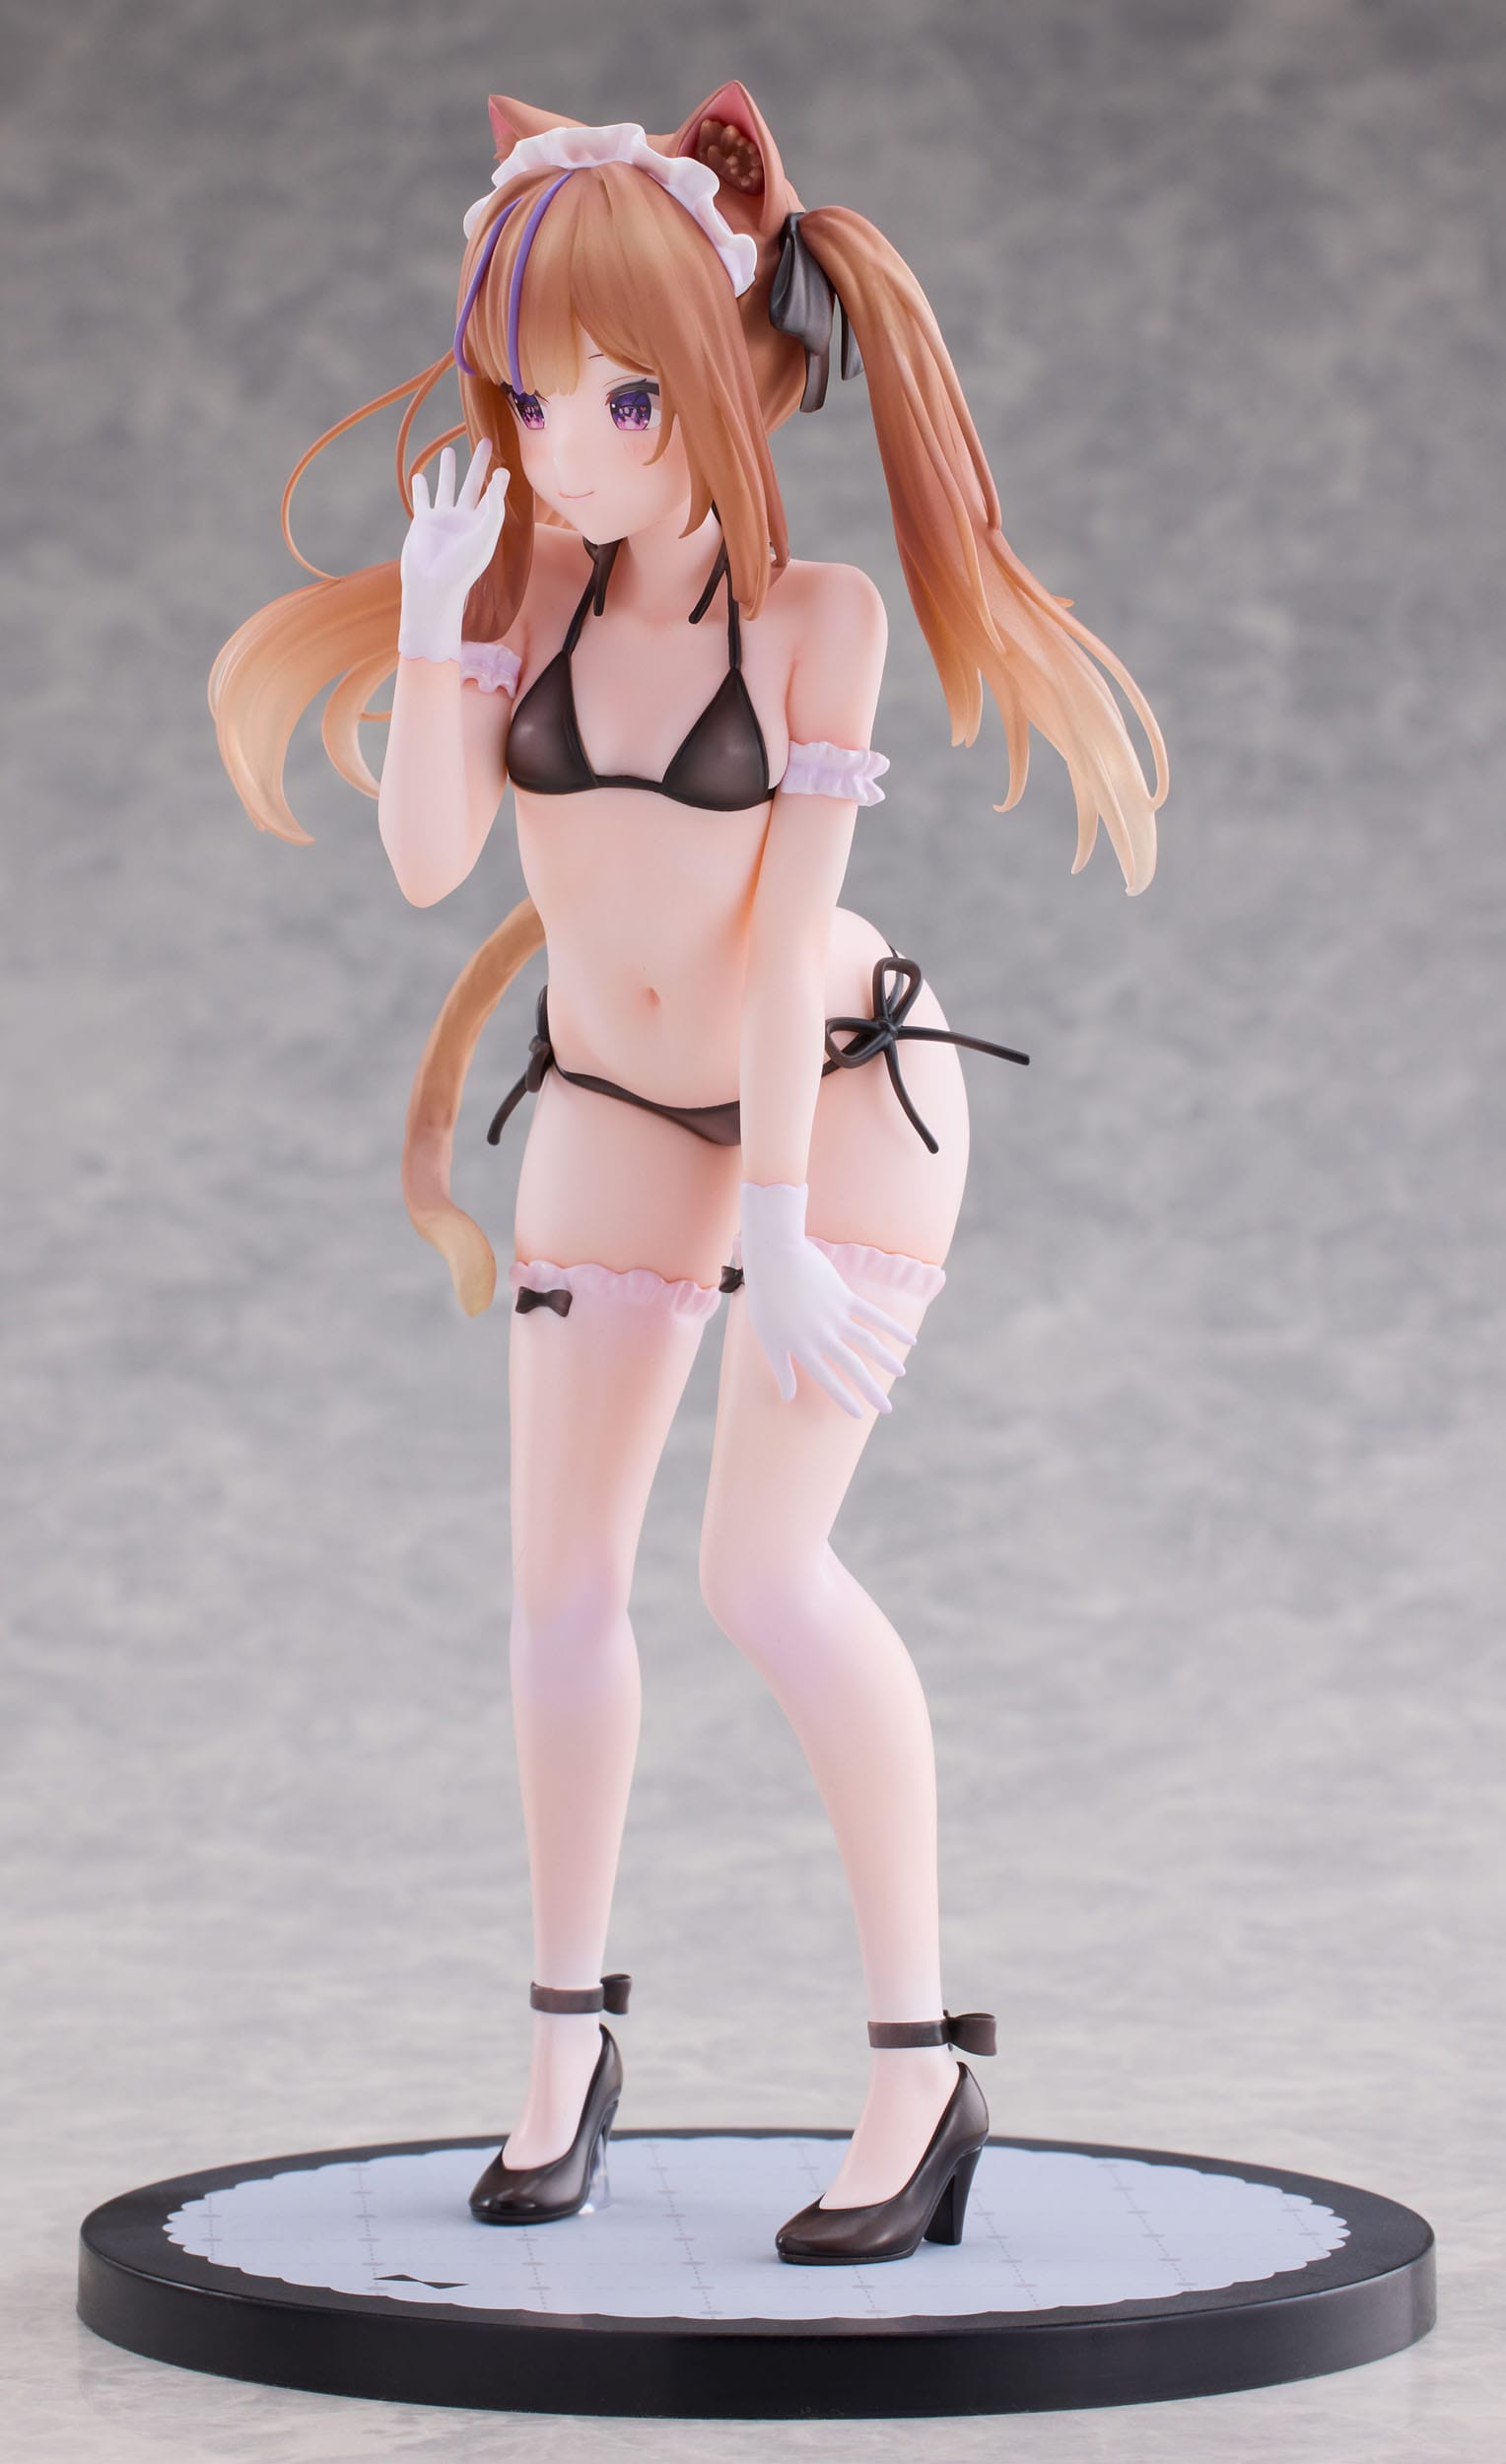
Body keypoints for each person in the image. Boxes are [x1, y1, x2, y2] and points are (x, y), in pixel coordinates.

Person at [210, 81, 1166, 2265]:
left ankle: (919, 2063)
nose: (565, 444)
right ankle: (565, 2046)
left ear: (739, 380)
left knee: (763, 1572)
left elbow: (781, 923)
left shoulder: (815, 623)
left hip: (834, 1097)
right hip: (618, 1113)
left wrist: (778, 1233)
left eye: (621, 396)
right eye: (533, 394)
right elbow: (432, 859)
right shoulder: (532, 584)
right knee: (557, 1589)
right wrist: (440, 629)